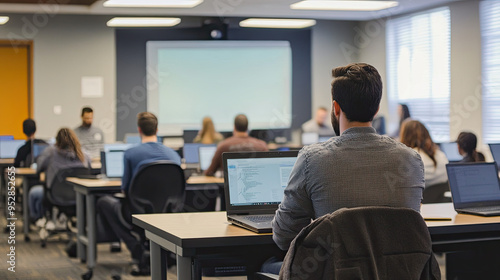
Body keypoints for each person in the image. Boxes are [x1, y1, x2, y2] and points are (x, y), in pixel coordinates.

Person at [262, 63, 425, 274]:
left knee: (265, 265)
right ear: (376, 109)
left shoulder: (313, 160)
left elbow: (284, 236)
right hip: (397, 273)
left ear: (336, 108)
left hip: (334, 273)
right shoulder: (411, 161)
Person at [96, 112, 181, 276]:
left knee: (103, 202)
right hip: (167, 213)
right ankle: (163, 251)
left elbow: (125, 189)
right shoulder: (174, 155)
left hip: (135, 213)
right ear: (157, 129)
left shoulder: (130, 154)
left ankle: (136, 249)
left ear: (139, 130)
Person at [28, 128, 91, 223]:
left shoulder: (50, 152)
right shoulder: (84, 155)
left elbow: (38, 168)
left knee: (33, 193)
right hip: (78, 196)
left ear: (57, 140)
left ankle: (36, 220)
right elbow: (89, 170)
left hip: (55, 195)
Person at [204, 114, 268, 176]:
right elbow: (268, 169)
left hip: (229, 186)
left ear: (234, 127)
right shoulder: (262, 146)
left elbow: (210, 172)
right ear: (247, 127)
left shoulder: (223, 146)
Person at [400, 119, 448, 188]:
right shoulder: (441, 155)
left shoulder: (409, 157)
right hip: (443, 197)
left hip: (419, 198)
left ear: (405, 136)